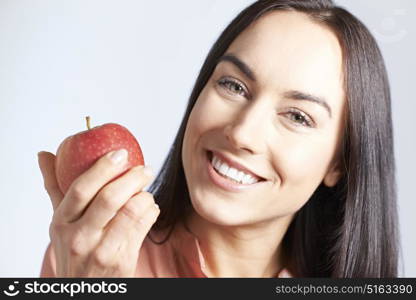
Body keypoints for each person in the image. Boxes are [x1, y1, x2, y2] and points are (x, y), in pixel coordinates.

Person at [38, 0, 399, 278]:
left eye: (297, 116)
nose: (242, 132)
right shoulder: (88, 262)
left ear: (339, 163)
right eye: (233, 85)